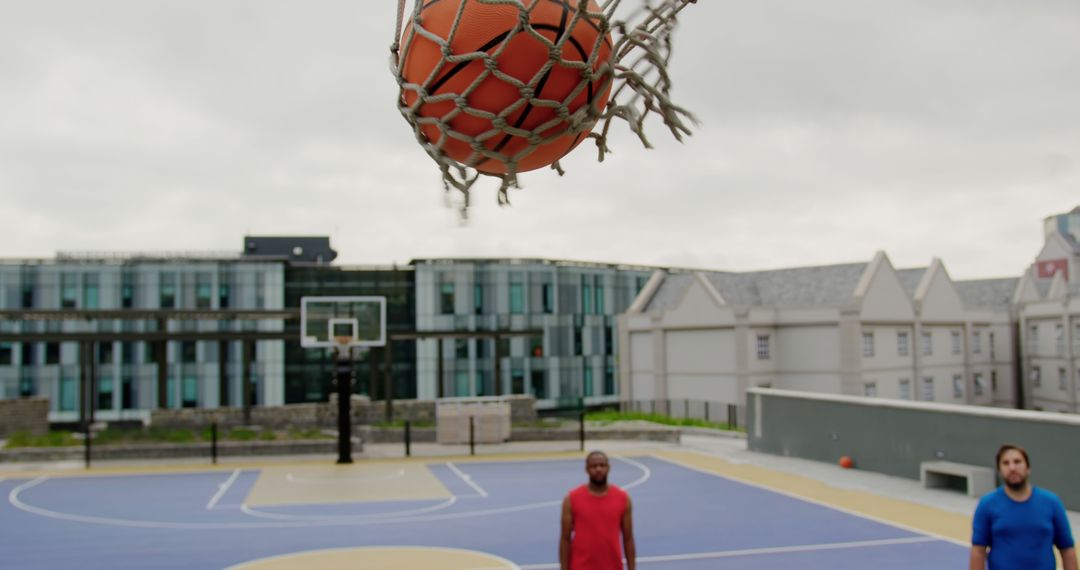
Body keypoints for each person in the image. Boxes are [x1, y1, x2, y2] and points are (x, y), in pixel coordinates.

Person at [970, 444, 1077, 570]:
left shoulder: (1051, 502)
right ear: (1000, 471)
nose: (1012, 467)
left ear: (1028, 468)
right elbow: (978, 551)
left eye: (1017, 462)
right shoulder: (987, 504)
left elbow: (1068, 550)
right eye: (1005, 463)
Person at [560, 450, 636, 570]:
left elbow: (628, 538)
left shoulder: (623, 499)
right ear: (587, 469)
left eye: (602, 465)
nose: (598, 469)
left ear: (608, 467)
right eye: (594, 466)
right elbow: (565, 539)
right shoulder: (571, 499)